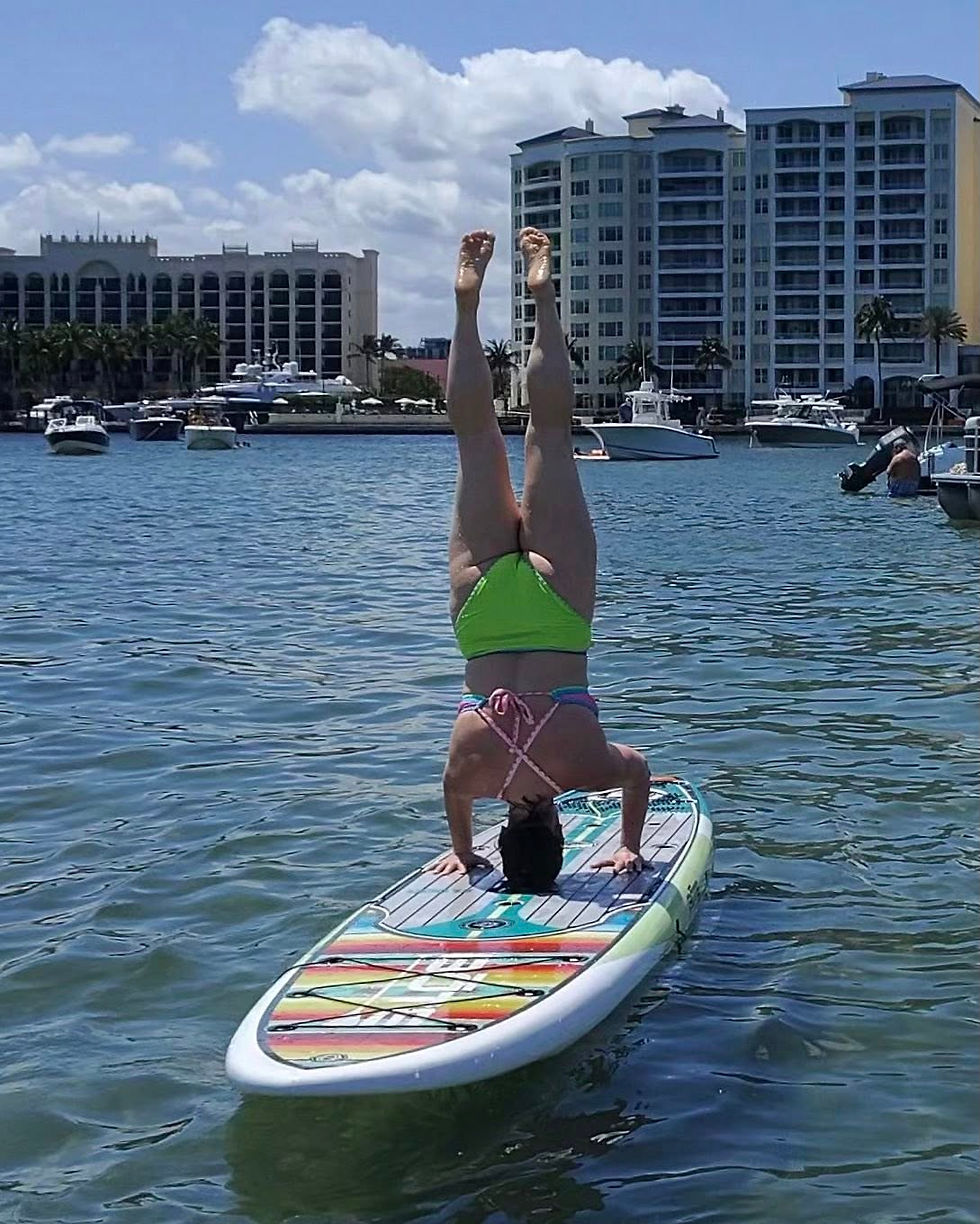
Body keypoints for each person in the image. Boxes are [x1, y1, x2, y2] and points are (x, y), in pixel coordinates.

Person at [432, 227, 651, 891]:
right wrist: (462, 850)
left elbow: (637, 769)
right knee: (474, 440)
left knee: (548, 435)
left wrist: (628, 847)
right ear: (505, 837)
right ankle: (467, 308)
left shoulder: (584, 768)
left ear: (557, 830)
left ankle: (543, 297)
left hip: (558, 615)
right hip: (482, 617)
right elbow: (453, 796)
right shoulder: (471, 773)